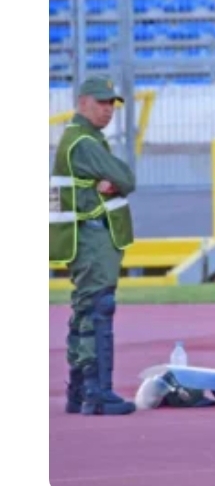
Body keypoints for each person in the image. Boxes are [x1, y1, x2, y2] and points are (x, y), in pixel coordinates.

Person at [50, 76, 138, 416]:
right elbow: (127, 178)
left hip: (83, 237)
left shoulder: (81, 138)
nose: (109, 109)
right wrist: (115, 181)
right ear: (82, 102)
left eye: (112, 103)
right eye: (102, 103)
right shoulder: (84, 142)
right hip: (92, 237)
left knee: (86, 308)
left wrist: (113, 181)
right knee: (99, 307)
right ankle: (97, 392)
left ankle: (80, 391)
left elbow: (119, 178)